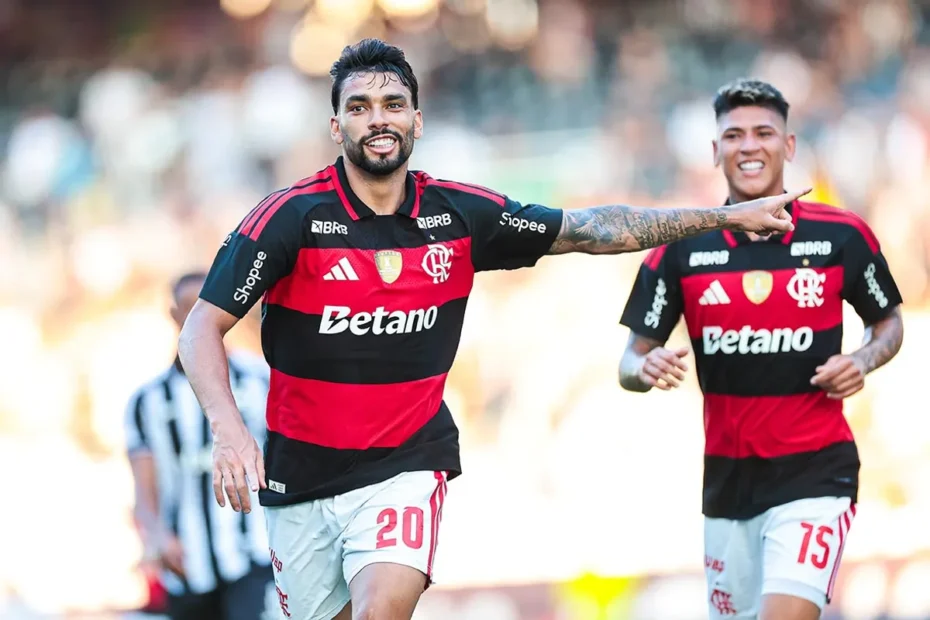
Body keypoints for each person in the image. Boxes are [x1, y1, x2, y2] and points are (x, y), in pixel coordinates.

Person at [177, 40, 809, 620]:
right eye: (361, 107)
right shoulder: (290, 217)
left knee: (379, 611)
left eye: (394, 104)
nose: (379, 120)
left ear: (416, 121)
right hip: (300, 478)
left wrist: (722, 216)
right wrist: (229, 431)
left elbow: (594, 229)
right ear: (336, 124)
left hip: (405, 465)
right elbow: (201, 328)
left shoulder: (459, 212)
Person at [617, 79, 905, 620]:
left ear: (789, 146)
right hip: (728, 488)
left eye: (764, 132)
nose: (749, 145)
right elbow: (628, 362)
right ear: (715, 150)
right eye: (734, 134)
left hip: (816, 475)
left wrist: (862, 359)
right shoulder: (682, 246)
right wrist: (644, 364)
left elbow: (888, 323)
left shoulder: (842, 236)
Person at [125, 272, 278, 620]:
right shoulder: (147, 401)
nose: (198, 316)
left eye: (205, 306)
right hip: (186, 562)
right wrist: (158, 536)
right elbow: (143, 492)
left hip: (254, 552)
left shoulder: (261, 381)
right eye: (188, 307)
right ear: (173, 314)